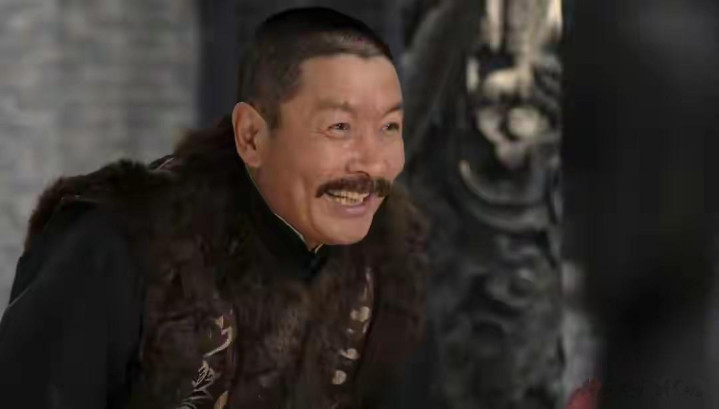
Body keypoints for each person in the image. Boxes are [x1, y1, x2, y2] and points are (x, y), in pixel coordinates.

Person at [0, 7, 429, 409]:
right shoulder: (119, 244)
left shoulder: (387, 261)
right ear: (252, 136)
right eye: (340, 127)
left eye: (389, 127)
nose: (375, 164)